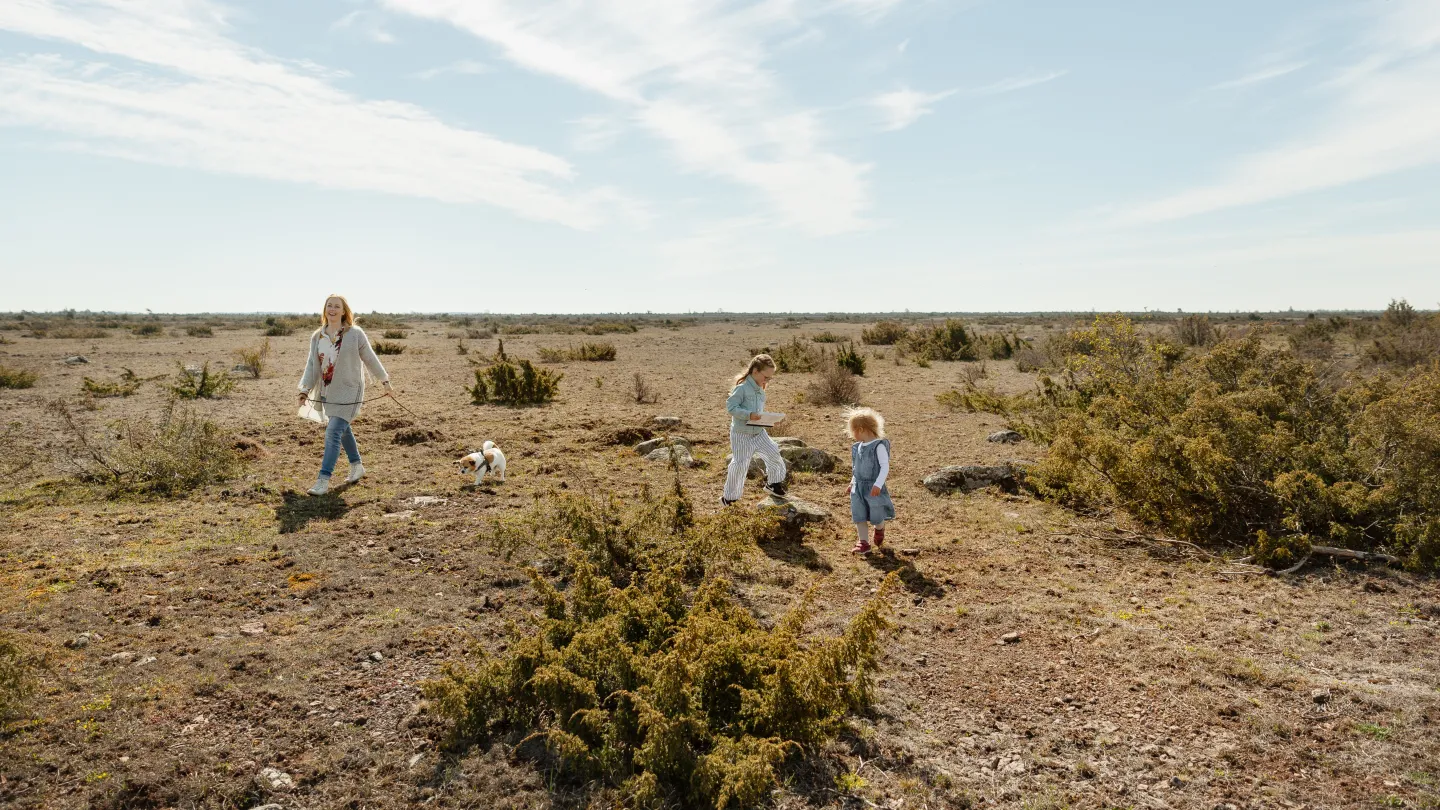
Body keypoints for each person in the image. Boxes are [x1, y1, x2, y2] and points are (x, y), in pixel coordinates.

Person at [296, 294, 392, 496]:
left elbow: (369, 358)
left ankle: (323, 480)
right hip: (327, 392)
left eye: (336, 306)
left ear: (343, 310)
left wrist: (385, 381)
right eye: (329, 306)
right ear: (325, 310)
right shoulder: (317, 336)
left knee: (333, 432)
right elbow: (312, 365)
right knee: (343, 428)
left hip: (349, 390)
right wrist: (304, 389)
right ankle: (357, 466)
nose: (332, 309)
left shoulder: (354, 333)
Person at [722, 353, 787, 505]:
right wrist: (748, 415)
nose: (767, 381)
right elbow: (731, 407)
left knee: (773, 452)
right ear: (755, 371)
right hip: (741, 434)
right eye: (766, 377)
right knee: (740, 464)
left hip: (758, 432)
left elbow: (758, 412)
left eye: (770, 378)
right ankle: (729, 498)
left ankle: (773, 484)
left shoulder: (760, 388)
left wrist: (768, 420)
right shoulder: (742, 388)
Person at [845, 406, 895, 554]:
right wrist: (852, 482)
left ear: (860, 429)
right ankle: (863, 543)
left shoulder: (878, 446)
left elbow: (884, 467)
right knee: (859, 514)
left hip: (873, 487)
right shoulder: (857, 447)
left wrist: (878, 484)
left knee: (876, 514)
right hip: (858, 487)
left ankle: (879, 528)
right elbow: (857, 468)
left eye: (853, 430)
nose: (852, 434)